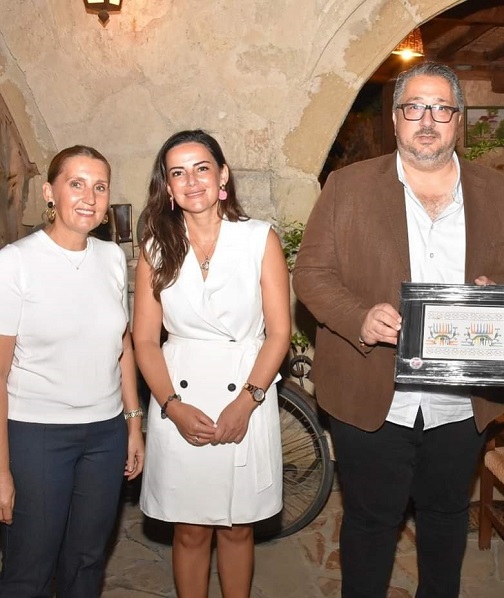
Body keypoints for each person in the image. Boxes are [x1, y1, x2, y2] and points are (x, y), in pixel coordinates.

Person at [292, 62, 504, 597]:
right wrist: (359, 317)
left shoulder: (499, 191)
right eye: (414, 107)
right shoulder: (347, 187)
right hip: (371, 392)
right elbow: (311, 274)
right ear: (395, 119)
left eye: (441, 108)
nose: (427, 120)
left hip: (461, 399)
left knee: (447, 516)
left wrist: (496, 289)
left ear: (458, 120)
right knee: (369, 523)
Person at [133, 129, 289, 597]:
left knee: (239, 527)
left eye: (201, 168)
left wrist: (248, 400)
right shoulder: (155, 247)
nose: (192, 181)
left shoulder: (259, 239)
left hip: (248, 388)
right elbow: (145, 340)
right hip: (179, 394)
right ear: (167, 186)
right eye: (178, 173)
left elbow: (279, 333)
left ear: (222, 175)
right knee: (190, 529)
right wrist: (171, 406)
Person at [0, 145, 145, 597]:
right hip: (36, 436)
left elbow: (122, 345)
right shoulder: (15, 262)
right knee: (30, 568)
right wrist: (1, 469)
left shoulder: (111, 257)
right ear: (50, 192)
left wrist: (133, 424)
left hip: (105, 435)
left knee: (87, 561)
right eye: (76, 184)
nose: (89, 197)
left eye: (100, 187)